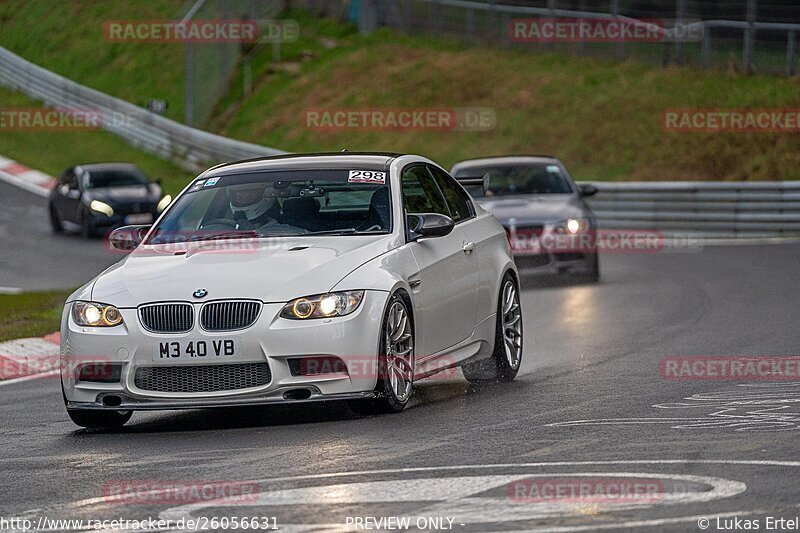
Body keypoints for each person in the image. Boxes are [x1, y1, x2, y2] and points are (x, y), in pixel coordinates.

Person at [227, 183, 306, 235]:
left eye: (249, 197)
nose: (243, 201)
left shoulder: (290, 233)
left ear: (266, 198)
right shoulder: (221, 230)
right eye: (240, 198)